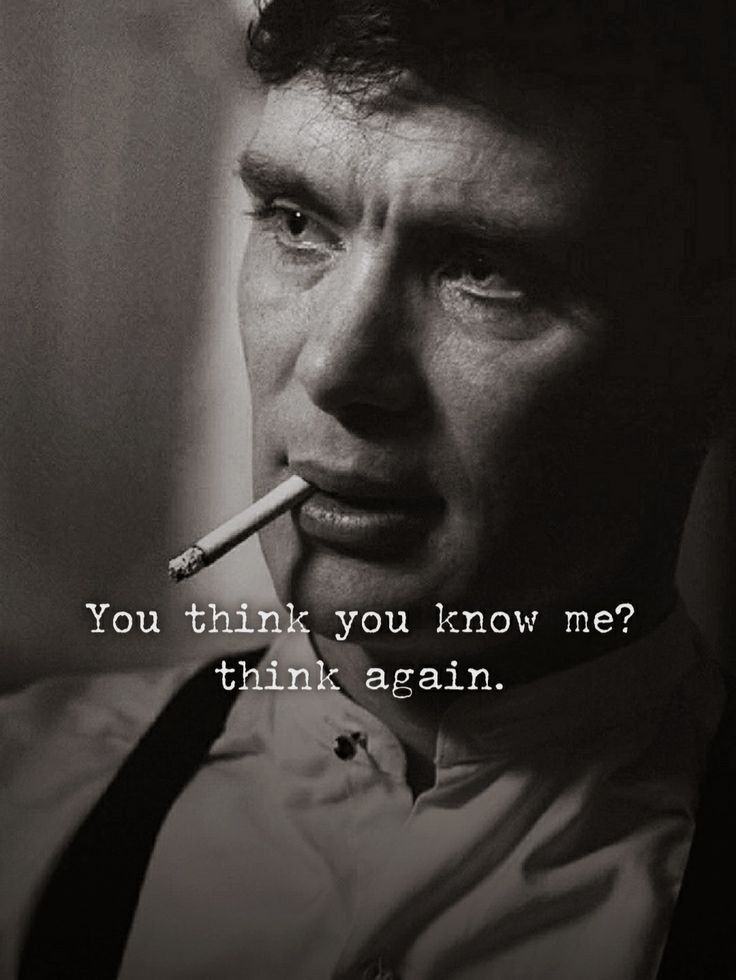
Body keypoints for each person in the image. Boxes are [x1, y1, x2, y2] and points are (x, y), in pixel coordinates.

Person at [1, 2, 733, 978]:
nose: (336, 367)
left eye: (482, 267)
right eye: (298, 222)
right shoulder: (25, 808)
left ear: (708, 360)